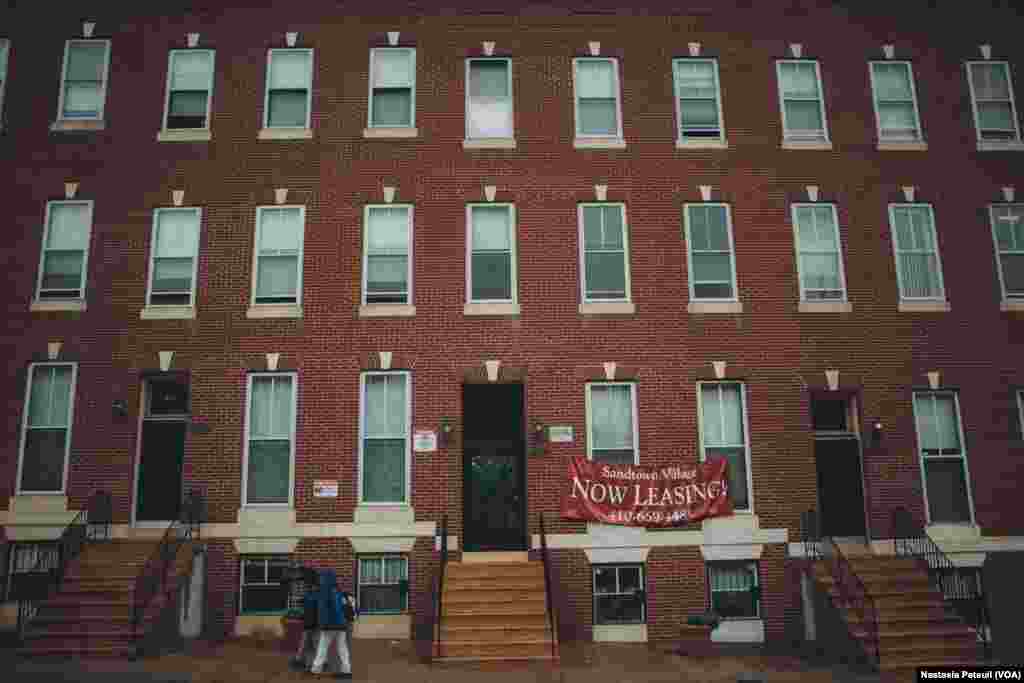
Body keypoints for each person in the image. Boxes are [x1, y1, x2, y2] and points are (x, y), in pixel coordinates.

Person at [309, 569, 351, 678]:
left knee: (322, 646)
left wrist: (325, 623)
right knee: (342, 648)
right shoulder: (337, 591)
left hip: (331, 624)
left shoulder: (327, 591)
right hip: (341, 624)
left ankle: (316, 669)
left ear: (326, 579)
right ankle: (346, 670)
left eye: (322, 578)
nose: (320, 580)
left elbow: (330, 609)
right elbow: (341, 607)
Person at [290, 568, 319, 671]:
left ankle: (302, 661)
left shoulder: (312, 596)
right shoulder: (312, 595)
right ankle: (303, 661)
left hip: (312, 624)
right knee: (310, 644)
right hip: (311, 624)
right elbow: (307, 608)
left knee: (309, 644)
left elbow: (309, 608)